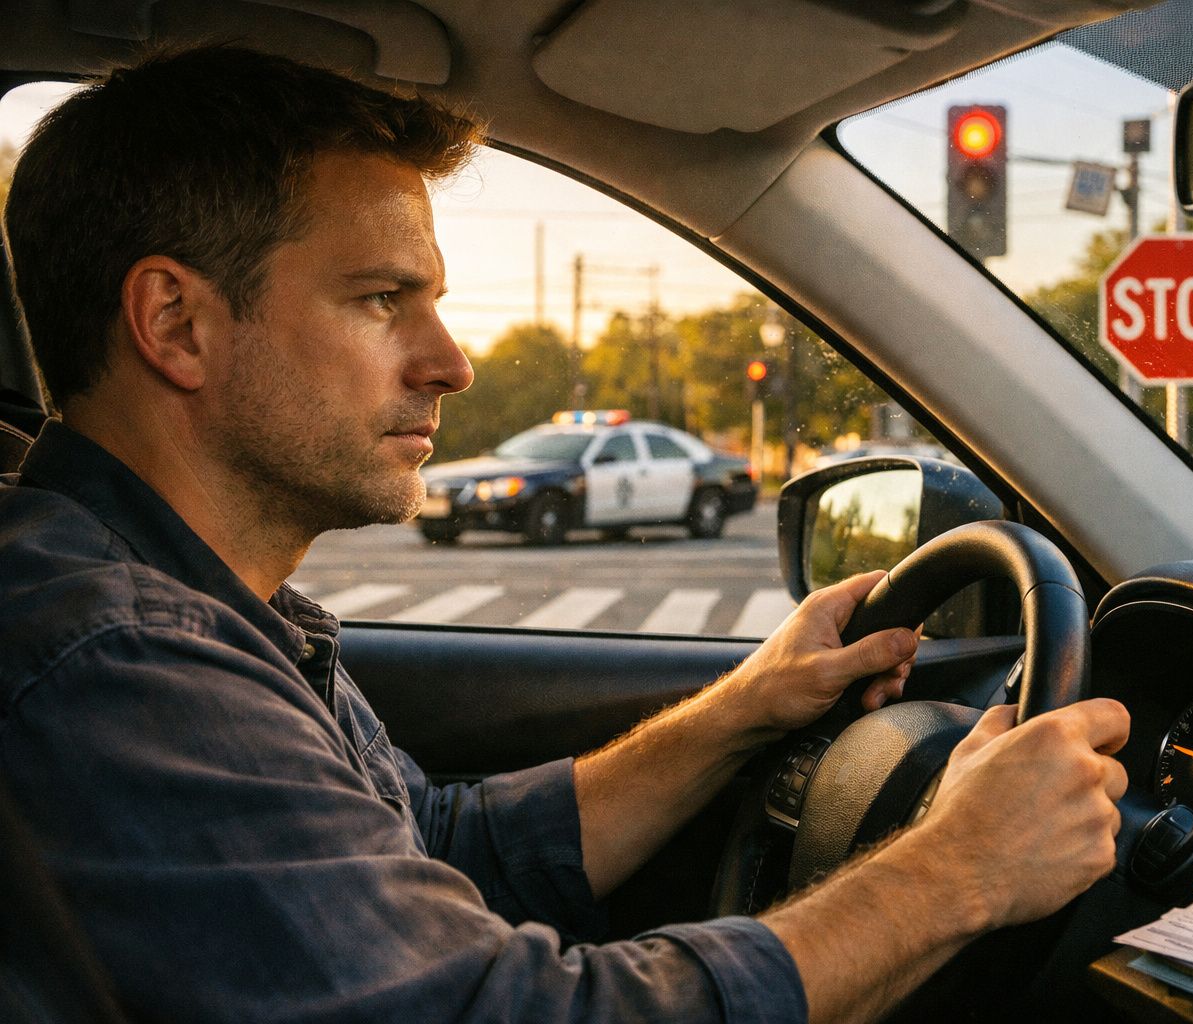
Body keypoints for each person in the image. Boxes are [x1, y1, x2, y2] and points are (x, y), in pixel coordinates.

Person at [0, 46, 1130, 1024]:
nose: (451, 361)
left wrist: (745, 709)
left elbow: (435, 847)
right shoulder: (117, 653)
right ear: (175, 324)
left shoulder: (199, 607)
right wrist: (958, 871)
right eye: (383, 298)